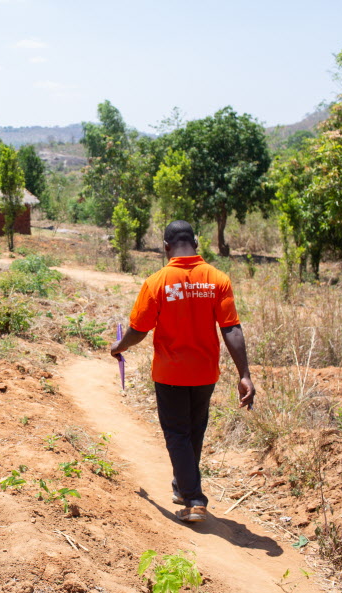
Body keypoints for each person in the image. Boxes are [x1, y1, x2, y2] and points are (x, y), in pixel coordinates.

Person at [110, 220, 255, 523]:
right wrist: (244, 374)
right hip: (205, 374)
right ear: (197, 244)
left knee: (177, 434)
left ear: (165, 247)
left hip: (171, 374)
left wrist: (119, 347)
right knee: (193, 431)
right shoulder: (217, 279)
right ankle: (182, 486)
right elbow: (232, 328)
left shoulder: (157, 282)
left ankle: (194, 499)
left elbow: (138, 329)